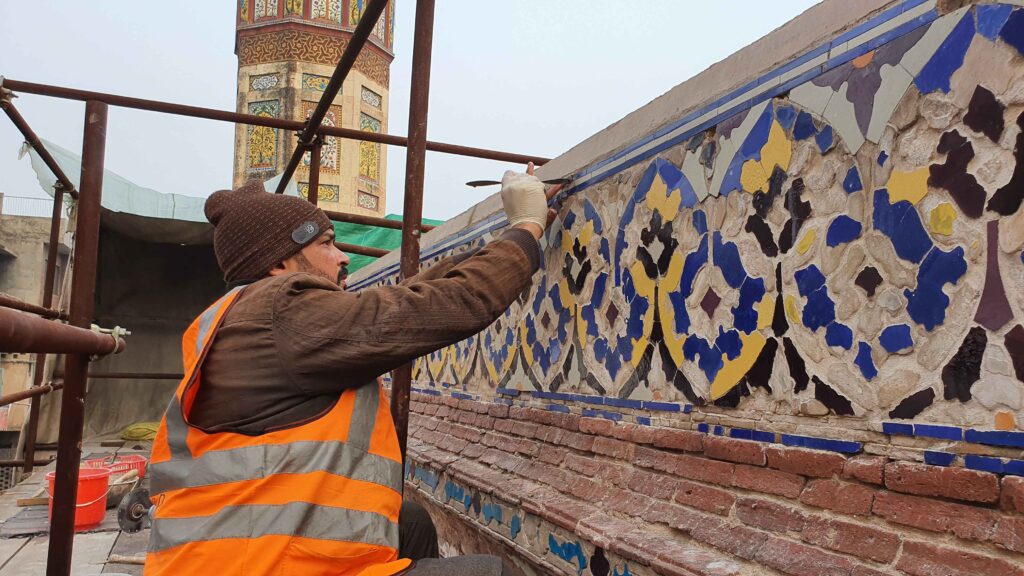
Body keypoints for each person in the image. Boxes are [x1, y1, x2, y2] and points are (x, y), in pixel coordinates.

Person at [144, 166, 561, 576]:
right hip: (267, 565)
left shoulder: (247, 314)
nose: (343, 257)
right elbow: (437, 308)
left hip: (224, 556)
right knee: (492, 573)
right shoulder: (284, 312)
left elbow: (402, 301)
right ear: (279, 263)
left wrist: (508, 242)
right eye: (327, 243)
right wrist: (526, 227)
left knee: (408, 521)